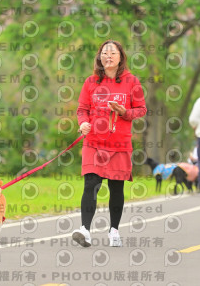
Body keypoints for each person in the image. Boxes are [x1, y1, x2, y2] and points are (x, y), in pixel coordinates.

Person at [73, 40, 146, 248]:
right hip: (94, 142)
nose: (108, 56)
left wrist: (124, 112)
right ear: (99, 57)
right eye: (104, 53)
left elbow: (141, 109)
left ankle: (114, 230)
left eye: (113, 53)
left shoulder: (132, 82)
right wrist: (83, 123)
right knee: (91, 184)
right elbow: (82, 109)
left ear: (121, 57)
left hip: (119, 143)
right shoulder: (91, 82)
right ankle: (85, 230)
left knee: (116, 187)